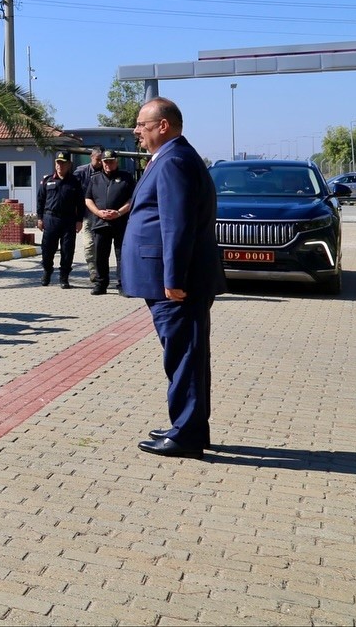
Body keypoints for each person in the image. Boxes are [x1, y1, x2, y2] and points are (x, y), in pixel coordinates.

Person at [124, 97, 226, 460]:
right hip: (172, 280)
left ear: (162, 126)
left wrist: (174, 277)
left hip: (177, 284)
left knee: (184, 355)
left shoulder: (174, 161)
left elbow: (176, 223)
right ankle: (189, 424)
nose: (136, 131)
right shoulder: (174, 157)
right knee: (186, 354)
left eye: (142, 125)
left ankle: (186, 433)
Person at [84, 150, 136, 296]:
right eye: (105, 162)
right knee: (100, 256)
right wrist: (98, 213)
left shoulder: (126, 178)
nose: (108, 164)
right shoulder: (94, 179)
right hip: (101, 223)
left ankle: (123, 285)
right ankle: (101, 284)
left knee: (122, 255)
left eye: (111, 161)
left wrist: (119, 212)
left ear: (116, 162)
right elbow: (88, 199)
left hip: (120, 222)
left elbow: (132, 199)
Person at [36, 151, 84, 288]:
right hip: (50, 218)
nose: (60, 166)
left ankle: (64, 277)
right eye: (58, 163)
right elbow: (40, 201)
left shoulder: (75, 182)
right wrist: (40, 218)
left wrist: (79, 220)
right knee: (47, 249)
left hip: (68, 220)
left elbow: (80, 203)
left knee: (67, 251)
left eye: (63, 163)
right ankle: (47, 271)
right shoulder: (47, 180)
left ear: (69, 164)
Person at [76, 146, 104, 289]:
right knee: (89, 245)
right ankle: (93, 271)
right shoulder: (81, 172)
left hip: (102, 216)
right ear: (92, 157)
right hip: (87, 215)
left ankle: (101, 272)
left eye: (102, 160)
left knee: (101, 246)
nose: (100, 163)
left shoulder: (106, 171)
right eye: (98, 160)